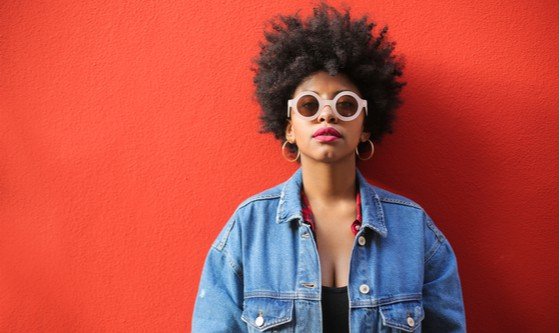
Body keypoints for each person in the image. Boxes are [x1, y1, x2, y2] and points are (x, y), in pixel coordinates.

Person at [192, 1, 466, 332]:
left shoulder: (413, 230)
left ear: (366, 125)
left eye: (345, 105)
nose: (327, 115)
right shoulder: (249, 229)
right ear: (290, 126)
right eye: (309, 105)